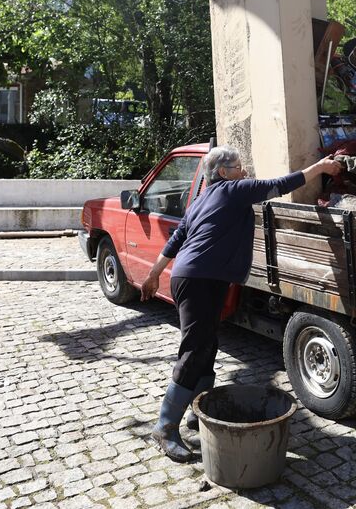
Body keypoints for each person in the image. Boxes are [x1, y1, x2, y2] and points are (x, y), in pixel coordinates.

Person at [140, 145, 343, 462]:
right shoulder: (232, 191)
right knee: (195, 349)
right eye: (238, 166)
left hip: (197, 278)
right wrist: (319, 168)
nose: (244, 170)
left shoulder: (201, 199)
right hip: (199, 279)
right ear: (223, 173)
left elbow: (178, 235)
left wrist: (155, 272)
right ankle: (164, 427)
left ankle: (199, 411)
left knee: (207, 344)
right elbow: (279, 185)